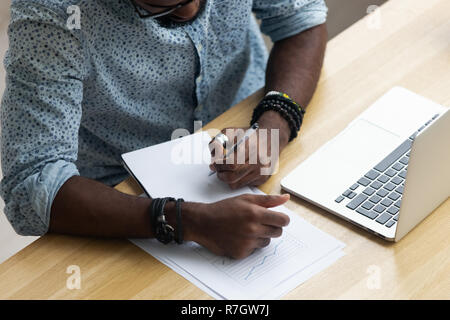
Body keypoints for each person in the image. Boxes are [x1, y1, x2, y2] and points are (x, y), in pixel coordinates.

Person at [0, 0, 328, 259]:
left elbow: (301, 19)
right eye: (159, 7)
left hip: (244, 117)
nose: (191, 11)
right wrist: (184, 221)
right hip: (120, 195)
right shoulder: (54, 12)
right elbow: (31, 182)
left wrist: (274, 124)